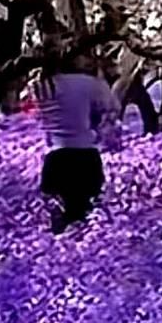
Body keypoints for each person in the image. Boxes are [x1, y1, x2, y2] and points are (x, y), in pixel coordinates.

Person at [38, 46, 121, 233]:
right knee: (87, 220)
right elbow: (112, 107)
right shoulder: (91, 84)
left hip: (55, 158)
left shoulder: (43, 84)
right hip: (84, 157)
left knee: (58, 222)